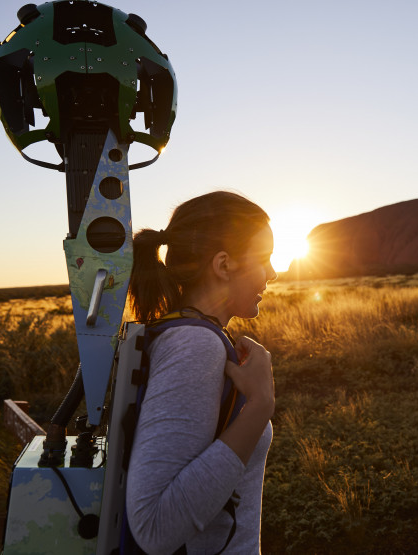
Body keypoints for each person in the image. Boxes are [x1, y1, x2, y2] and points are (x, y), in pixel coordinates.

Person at [125, 191, 277, 554]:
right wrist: (259, 406)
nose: (273, 273)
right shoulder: (195, 345)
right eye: (265, 259)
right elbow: (155, 526)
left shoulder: (195, 336)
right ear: (224, 265)